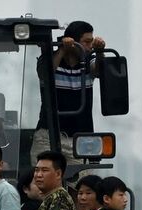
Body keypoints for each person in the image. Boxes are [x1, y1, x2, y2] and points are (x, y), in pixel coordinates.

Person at [30, 21, 107, 162]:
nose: (90, 47)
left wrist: (100, 52)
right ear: (74, 43)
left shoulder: (88, 61)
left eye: (92, 42)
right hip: (48, 136)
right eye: (87, 42)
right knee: (40, 178)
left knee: (79, 182)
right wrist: (63, 49)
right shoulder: (49, 59)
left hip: (79, 139)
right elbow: (46, 74)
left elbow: (99, 71)